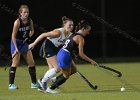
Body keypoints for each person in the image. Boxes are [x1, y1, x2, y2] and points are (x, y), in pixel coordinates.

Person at [45, 20, 98, 93]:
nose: (88, 33)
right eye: (87, 31)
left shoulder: (73, 34)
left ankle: (55, 79)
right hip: (65, 55)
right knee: (66, 76)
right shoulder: (81, 38)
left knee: (74, 70)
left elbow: (71, 46)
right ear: (83, 29)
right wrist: (91, 61)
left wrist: (74, 54)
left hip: (63, 52)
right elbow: (81, 54)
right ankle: (50, 88)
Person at [29, 16, 74, 90]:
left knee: (52, 69)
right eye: (69, 25)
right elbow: (43, 34)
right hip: (47, 47)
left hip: (54, 49)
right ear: (64, 25)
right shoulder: (58, 32)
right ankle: (42, 81)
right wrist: (33, 44)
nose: (71, 26)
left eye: (72, 25)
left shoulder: (69, 34)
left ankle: (43, 87)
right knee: (58, 68)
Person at [9, 5, 39, 90]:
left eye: (27, 12)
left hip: (24, 43)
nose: (26, 14)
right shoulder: (17, 22)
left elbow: (32, 30)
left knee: (31, 63)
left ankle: (34, 83)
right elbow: (13, 36)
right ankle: (11, 85)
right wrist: (16, 49)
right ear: (20, 13)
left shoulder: (30, 20)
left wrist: (29, 35)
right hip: (16, 43)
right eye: (24, 12)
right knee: (15, 63)